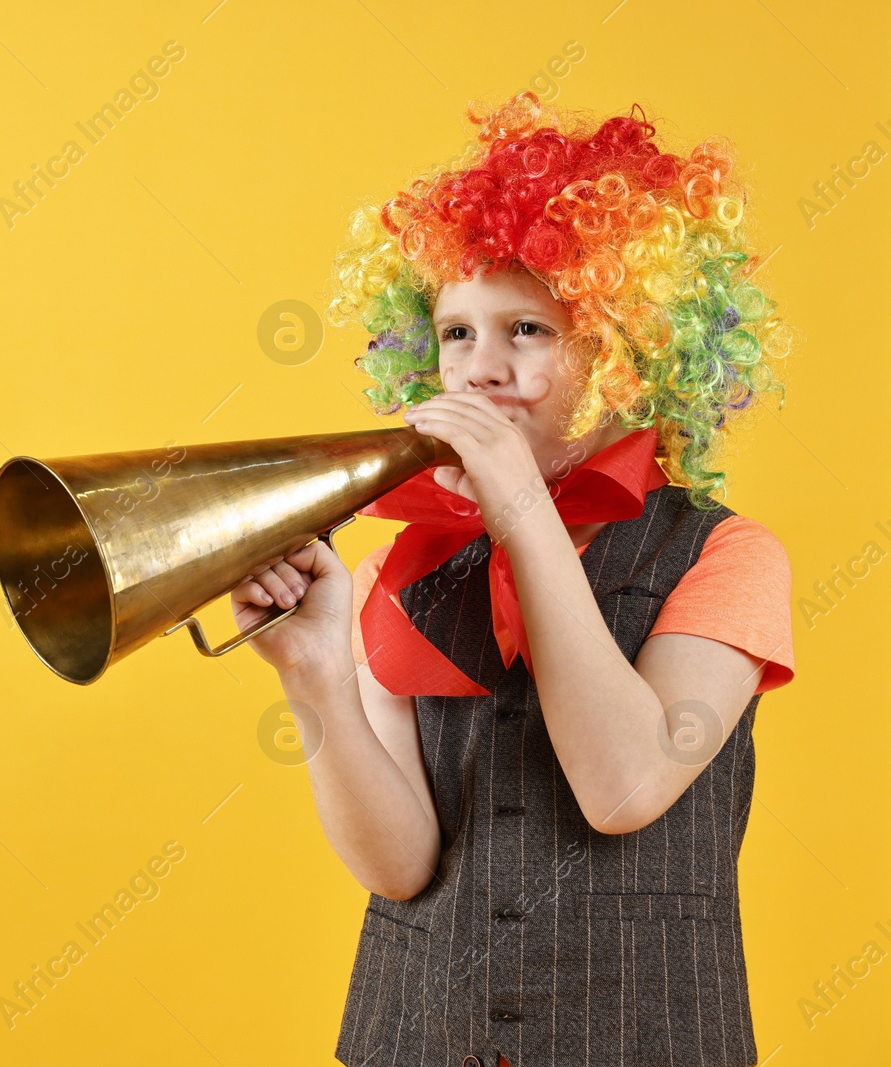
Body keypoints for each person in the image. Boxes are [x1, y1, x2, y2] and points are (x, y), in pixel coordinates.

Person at [230, 93, 794, 1067]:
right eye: (454, 333)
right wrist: (314, 672)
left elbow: (624, 784)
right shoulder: (400, 569)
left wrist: (521, 511)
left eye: (526, 330)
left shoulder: (726, 554)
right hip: (415, 1039)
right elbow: (397, 863)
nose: (478, 369)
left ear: (627, 349)